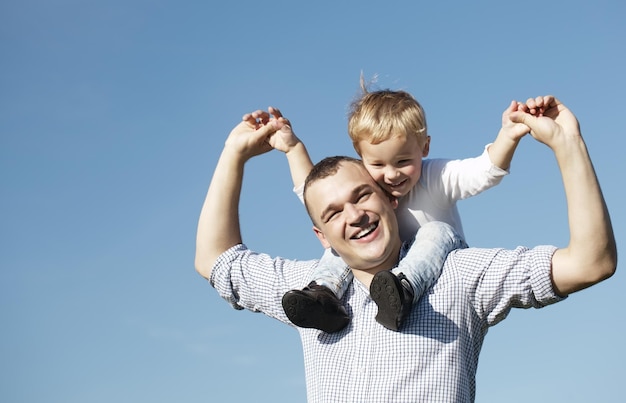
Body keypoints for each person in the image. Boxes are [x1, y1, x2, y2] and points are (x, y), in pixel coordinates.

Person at [195, 96, 616, 402]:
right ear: (321, 235)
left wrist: (567, 143)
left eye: (362, 196)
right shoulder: (304, 295)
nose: (354, 215)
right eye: (334, 213)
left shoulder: (459, 277)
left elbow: (590, 263)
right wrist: (234, 154)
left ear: (389, 199)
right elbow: (216, 260)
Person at [259, 85, 531, 332]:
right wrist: (293, 148)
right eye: (378, 165)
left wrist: (509, 135)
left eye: (402, 161)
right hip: (386, 278)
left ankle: (402, 289)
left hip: (438, 269)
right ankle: (323, 296)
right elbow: (316, 194)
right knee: (339, 240)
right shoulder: (365, 189)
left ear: (424, 147)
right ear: (361, 155)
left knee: (436, 230)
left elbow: (482, 172)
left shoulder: (434, 176)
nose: (391, 175)